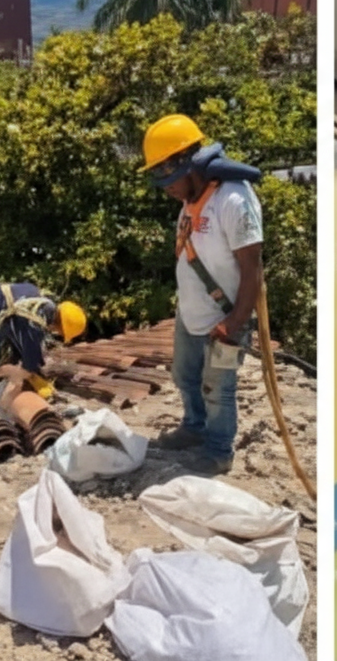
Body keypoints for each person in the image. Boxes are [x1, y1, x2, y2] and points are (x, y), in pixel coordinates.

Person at [139, 114, 264, 475]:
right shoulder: (191, 197)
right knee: (185, 376)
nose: (166, 188)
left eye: (167, 177)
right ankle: (194, 428)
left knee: (218, 388)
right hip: (191, 314)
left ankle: (218, 450)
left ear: (188, 164)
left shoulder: (234, 200)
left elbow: (252, 268)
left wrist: (235, 322)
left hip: (225, 317)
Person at [0, 283, 86, 424]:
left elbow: (25, 342)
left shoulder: (46, 307)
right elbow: (30, 361)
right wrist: (24, 374)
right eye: (60, 332)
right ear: (60, 325)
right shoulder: (35, 320)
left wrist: (27, 366)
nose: (56, 333)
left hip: (6, 311)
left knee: (14, 357)